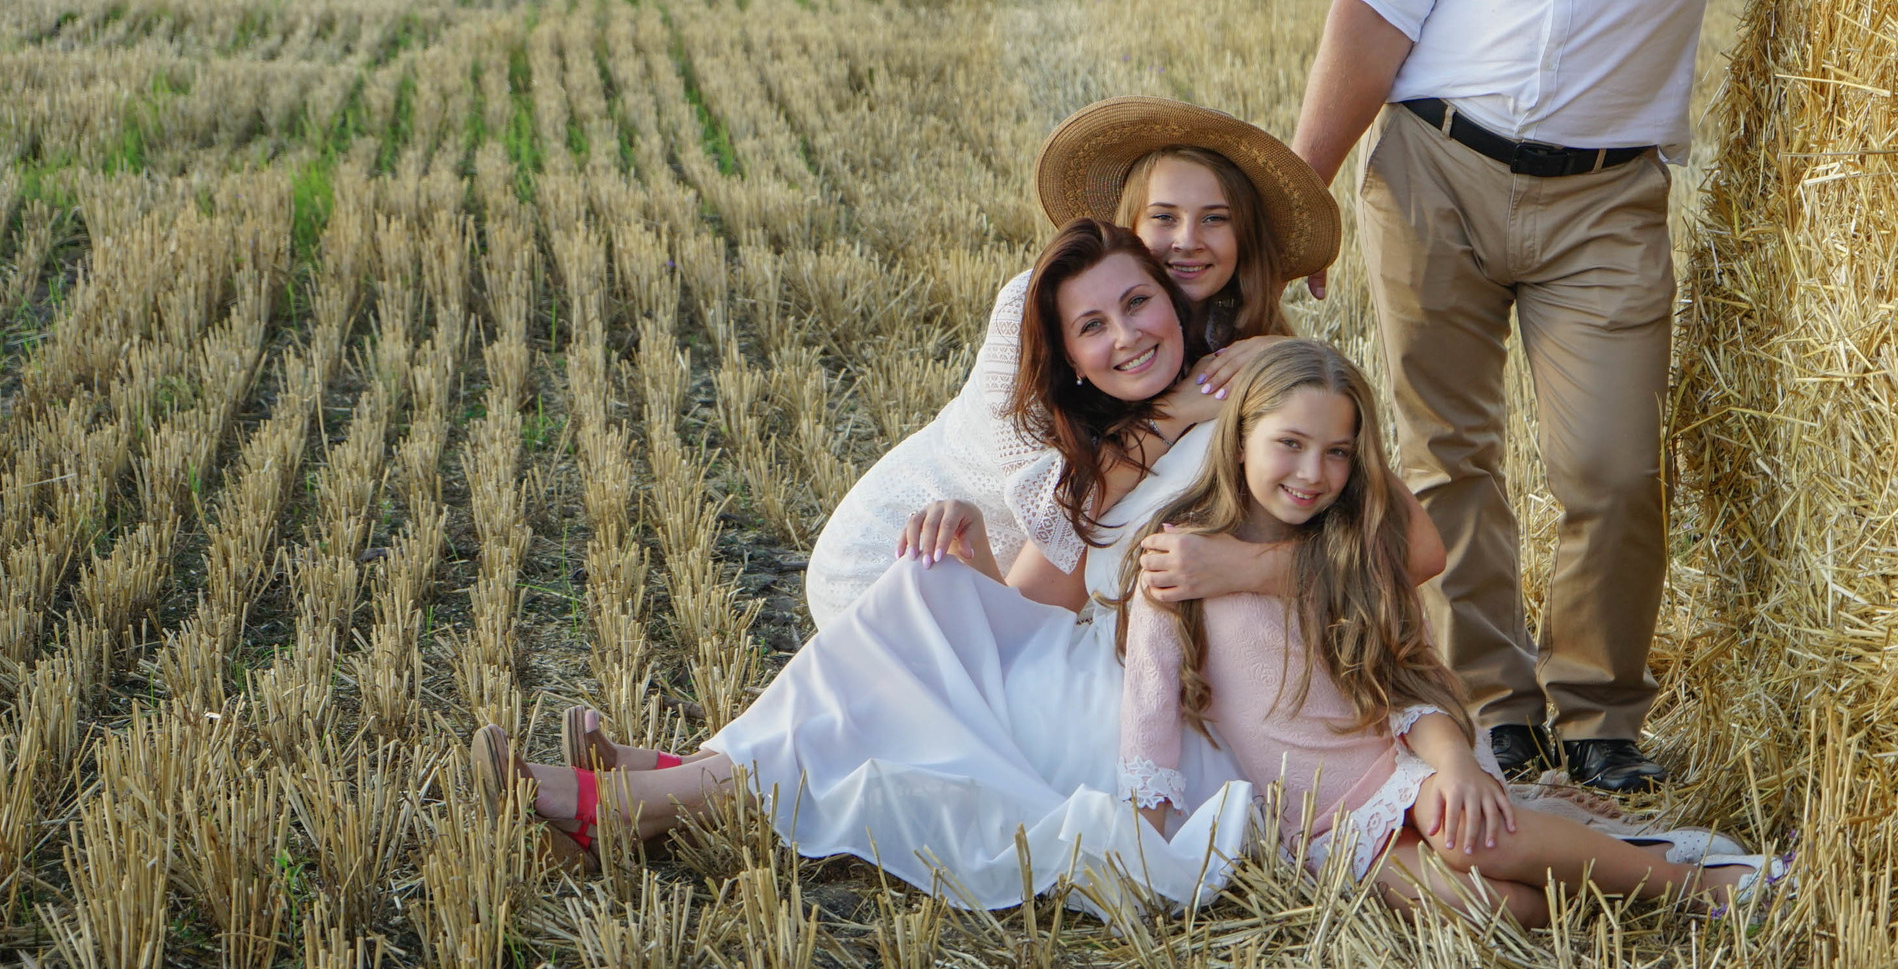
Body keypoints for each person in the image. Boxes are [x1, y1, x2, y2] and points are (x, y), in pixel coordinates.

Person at [1290, 0, 1871, 793]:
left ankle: (1600, 715)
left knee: (1610, 467)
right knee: (1450, 463)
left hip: (1608, 189)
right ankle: (1494, 703)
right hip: (1434, 168)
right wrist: (1298, 189)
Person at [473, 221, 1447, 912]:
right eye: (1092, 327)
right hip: (1096, 673)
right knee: (928, 597)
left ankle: (655, 792)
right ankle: (686, 782)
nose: (1126, 335)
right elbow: (1019, 618)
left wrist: (1232, 566)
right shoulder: (1094, 468)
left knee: (912, 681)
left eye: (1138, 303)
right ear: (1068, 358)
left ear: (1176, 304)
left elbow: (1416, 551)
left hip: (1188, 708)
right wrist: (971, 552)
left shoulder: (1265, 397)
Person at [1116, 340, 1782, 922]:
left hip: (1404, 766)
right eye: (1289, 443)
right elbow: (1149, 720)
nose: (1312, 473)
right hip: (1319, 829)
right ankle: (1623, 856)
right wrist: (1144, 856)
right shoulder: (1176, 561)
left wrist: (1457, 760)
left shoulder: (1353, 553)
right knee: (1493, 908)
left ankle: (1697, 886)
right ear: (1238, 438)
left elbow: (1409, 683)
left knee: (1464, 835)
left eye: (1337, 452)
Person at [801, 96, 1337, 627]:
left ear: (1243, 236)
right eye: (1164, 217)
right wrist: (1173, 412)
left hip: (1032, 601)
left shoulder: (1225, 336)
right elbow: (1062, 509)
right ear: (1128, 222)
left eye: (1215, 218)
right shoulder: (1033, 309)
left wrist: (1286, 357)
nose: (1187, 241)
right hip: (913, 557)